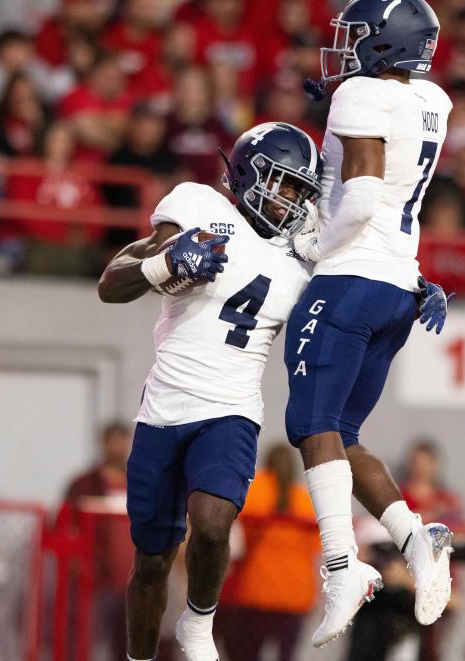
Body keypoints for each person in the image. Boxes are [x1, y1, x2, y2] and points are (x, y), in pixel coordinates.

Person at [96, 121, 324, 661]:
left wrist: (408, 290)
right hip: (163, 412)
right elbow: (111, 283)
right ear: (247, 172)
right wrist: (165, 263)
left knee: (215, 522)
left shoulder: (300, 264)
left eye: (300, 190)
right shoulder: (200, 206)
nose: (291, 198)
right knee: (152, 559)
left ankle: (199, 624)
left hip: (231, 411)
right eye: (284, 182)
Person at [283, 0, 455, 648]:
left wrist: (316, 246)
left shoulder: (360, 93)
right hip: (400, 287)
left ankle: (340, 565)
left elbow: (357, 196)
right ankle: (417, 539)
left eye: (359, 35)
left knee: (309, 424)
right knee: (343, 436)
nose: (347, 46)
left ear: (387, 42)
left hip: (351, 276)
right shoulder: (432, 99)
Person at [216, 444, 321, 661]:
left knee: (247, 655)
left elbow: (235, 542)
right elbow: (316, 546)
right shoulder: (307, 501)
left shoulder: (253, 493)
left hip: (255, 593)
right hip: (296, 595)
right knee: (286, 656)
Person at [60, 422, 135, 660]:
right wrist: (76, 564)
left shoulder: (138, 483)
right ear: (103, 443)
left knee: (128, 647)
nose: (119, 447)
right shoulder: (84, 485)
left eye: (123, 441)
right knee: (89, 643)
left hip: (135, 583)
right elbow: (65, 526)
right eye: (114, 441)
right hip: (96, 581)